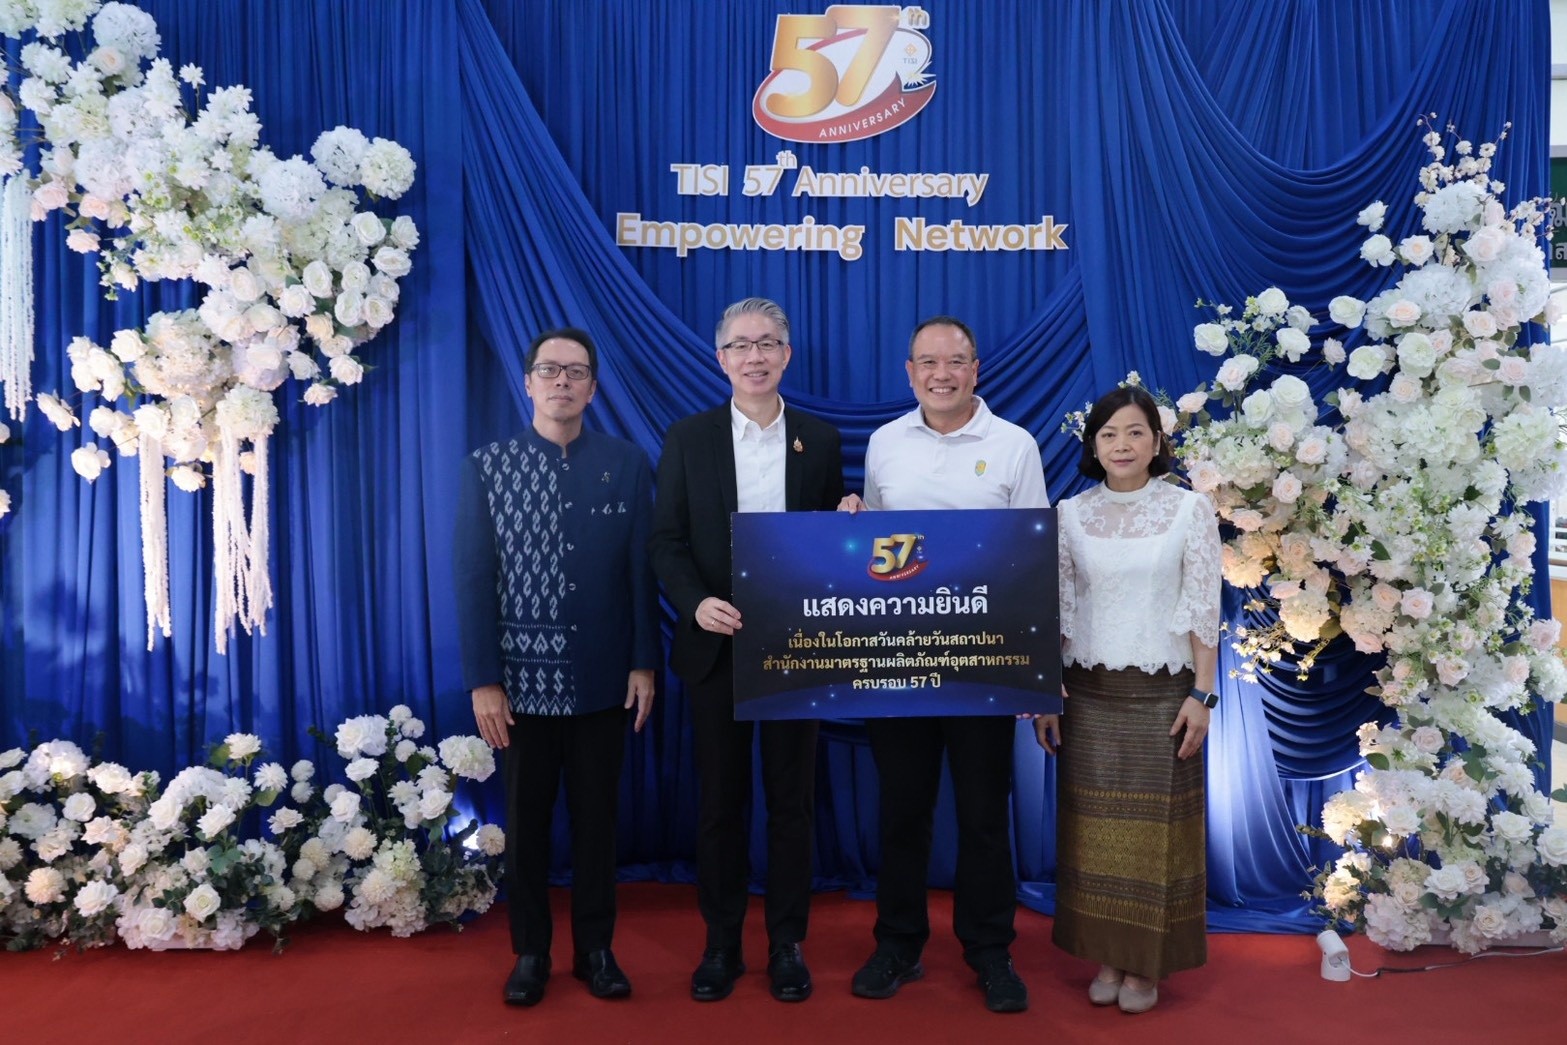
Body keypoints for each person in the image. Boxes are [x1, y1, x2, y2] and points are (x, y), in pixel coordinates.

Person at [839, 316, 1049, 1014]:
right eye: (927, 362)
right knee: (902, 811)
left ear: (975, 369)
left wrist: (1034, 670)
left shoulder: (1014, 445)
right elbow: (876, 555)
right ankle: (898, 944)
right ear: (909, 372)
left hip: (984, 665)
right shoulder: (884, 443)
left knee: (985, 814)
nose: (941, 374)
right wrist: (852, 522)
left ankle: (990, 951)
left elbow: (1034, 556)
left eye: (955, 361)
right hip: (898, 660)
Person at [454, 328, 660, 1008]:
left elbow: (639, 572)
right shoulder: (488, 467)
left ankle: (597, 949)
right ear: (529, 383)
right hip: (520, 684)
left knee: (599, 822)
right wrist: (484, 678)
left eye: (575, 372)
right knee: (527, 824)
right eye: (550, 370)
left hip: (605, 677)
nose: (562, 382)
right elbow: (473, 577)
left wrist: (644, 663)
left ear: (593, 387)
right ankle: (531, 952)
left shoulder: (626, 463)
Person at [650, 297, 845, 1003]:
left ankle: (787, 943)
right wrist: (695, 602)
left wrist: (847, 519)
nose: (754, 356)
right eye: (740, 345)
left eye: (767, 343)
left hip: (797, 648)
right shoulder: (688, 438)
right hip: (716, 645)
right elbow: (665, 541)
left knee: (792, 805)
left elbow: (830, 542)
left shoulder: (819, 439)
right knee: (719, 804)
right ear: (721, 358)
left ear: (786, 355)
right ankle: (722, 943)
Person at [1033, 383, 1221, 1015]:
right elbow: (1058, 611)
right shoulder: (1069, 514)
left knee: (1156, 836)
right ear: (1093, 445)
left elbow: (1204, 610)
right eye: (1109, 434)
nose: (1122, 444)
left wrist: (1203, 694)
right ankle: (1108, 955)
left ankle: (1146, 965)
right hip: (1087, 694)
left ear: (1157, 441)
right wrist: (1045, 693)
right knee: (1093, 833)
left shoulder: (1189, 509)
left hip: (1164, 692)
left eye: (1136, 431)